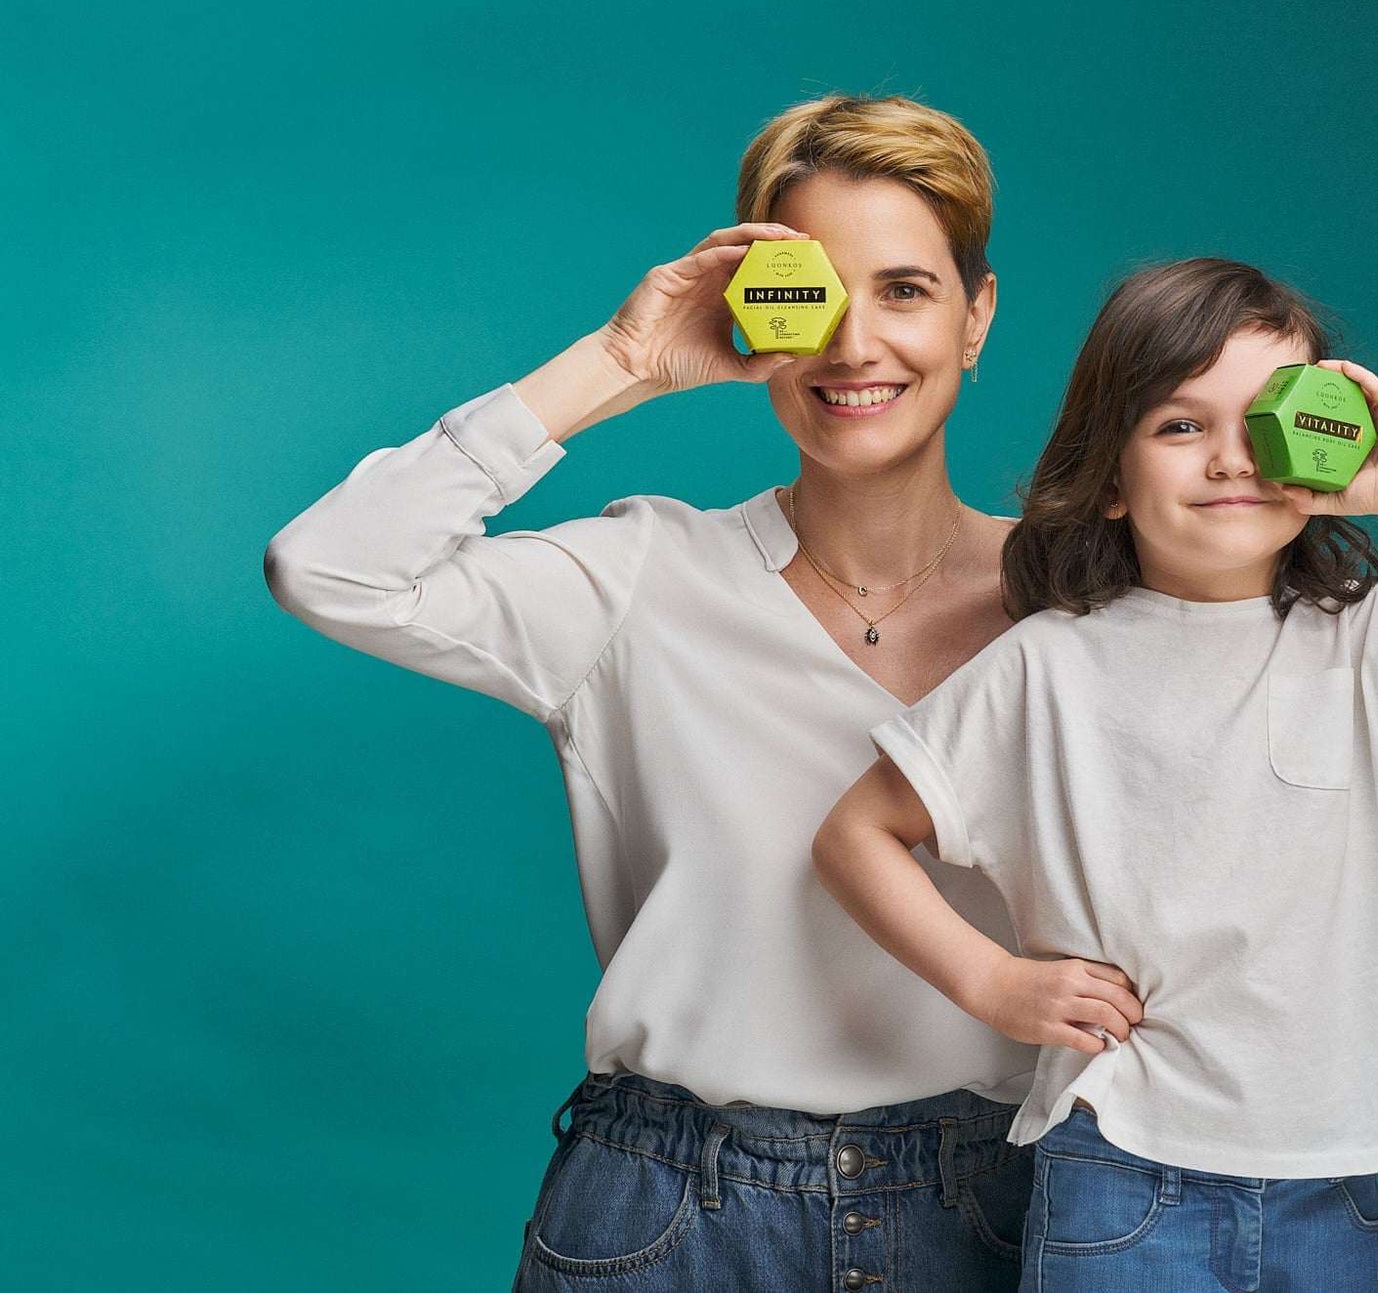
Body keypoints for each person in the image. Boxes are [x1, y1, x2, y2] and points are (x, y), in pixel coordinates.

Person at [264, 94, 1071, 1291]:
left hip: (995, 1206)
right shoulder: (639, 575)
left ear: (976, 316)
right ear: (754, 307)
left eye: (903, 290)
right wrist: (622, 361)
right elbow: (325, 567)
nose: (853, 346)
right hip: (673, 1211)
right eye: (815, 294)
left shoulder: (1079, 601)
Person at [811, 258, 1378, 1290]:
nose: (1231, 460)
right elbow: (852, 834)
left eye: (1267, 421)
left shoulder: (1369, 645)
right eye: (1180, 426)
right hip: (1119, 1167)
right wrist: (990, 980)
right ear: (1105, 475)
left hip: (1331, 1173)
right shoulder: (1046, 665)